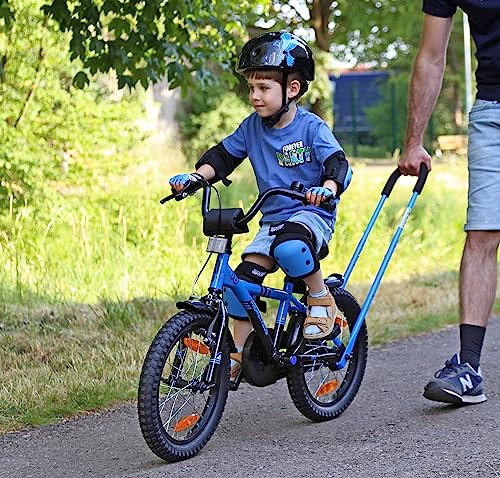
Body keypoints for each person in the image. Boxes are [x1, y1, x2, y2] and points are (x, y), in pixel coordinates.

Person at [169, 31, 352, 379]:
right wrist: (196, 178)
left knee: (290, 248)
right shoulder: (252, 128)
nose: (254, 96)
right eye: (251, 88)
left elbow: (337, 163)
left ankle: (321, 299)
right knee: (239, 285)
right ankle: (239, 354)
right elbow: (223, 156)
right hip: (273, 219)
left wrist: (326, 189)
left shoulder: (312, 128)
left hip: (311, 213)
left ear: (292, 89)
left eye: (263, 88)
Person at [398, 1, 500, 405]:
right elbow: (430, 55)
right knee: (482, 233)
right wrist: (413, 140)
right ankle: (468, 368)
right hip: (494, 110)